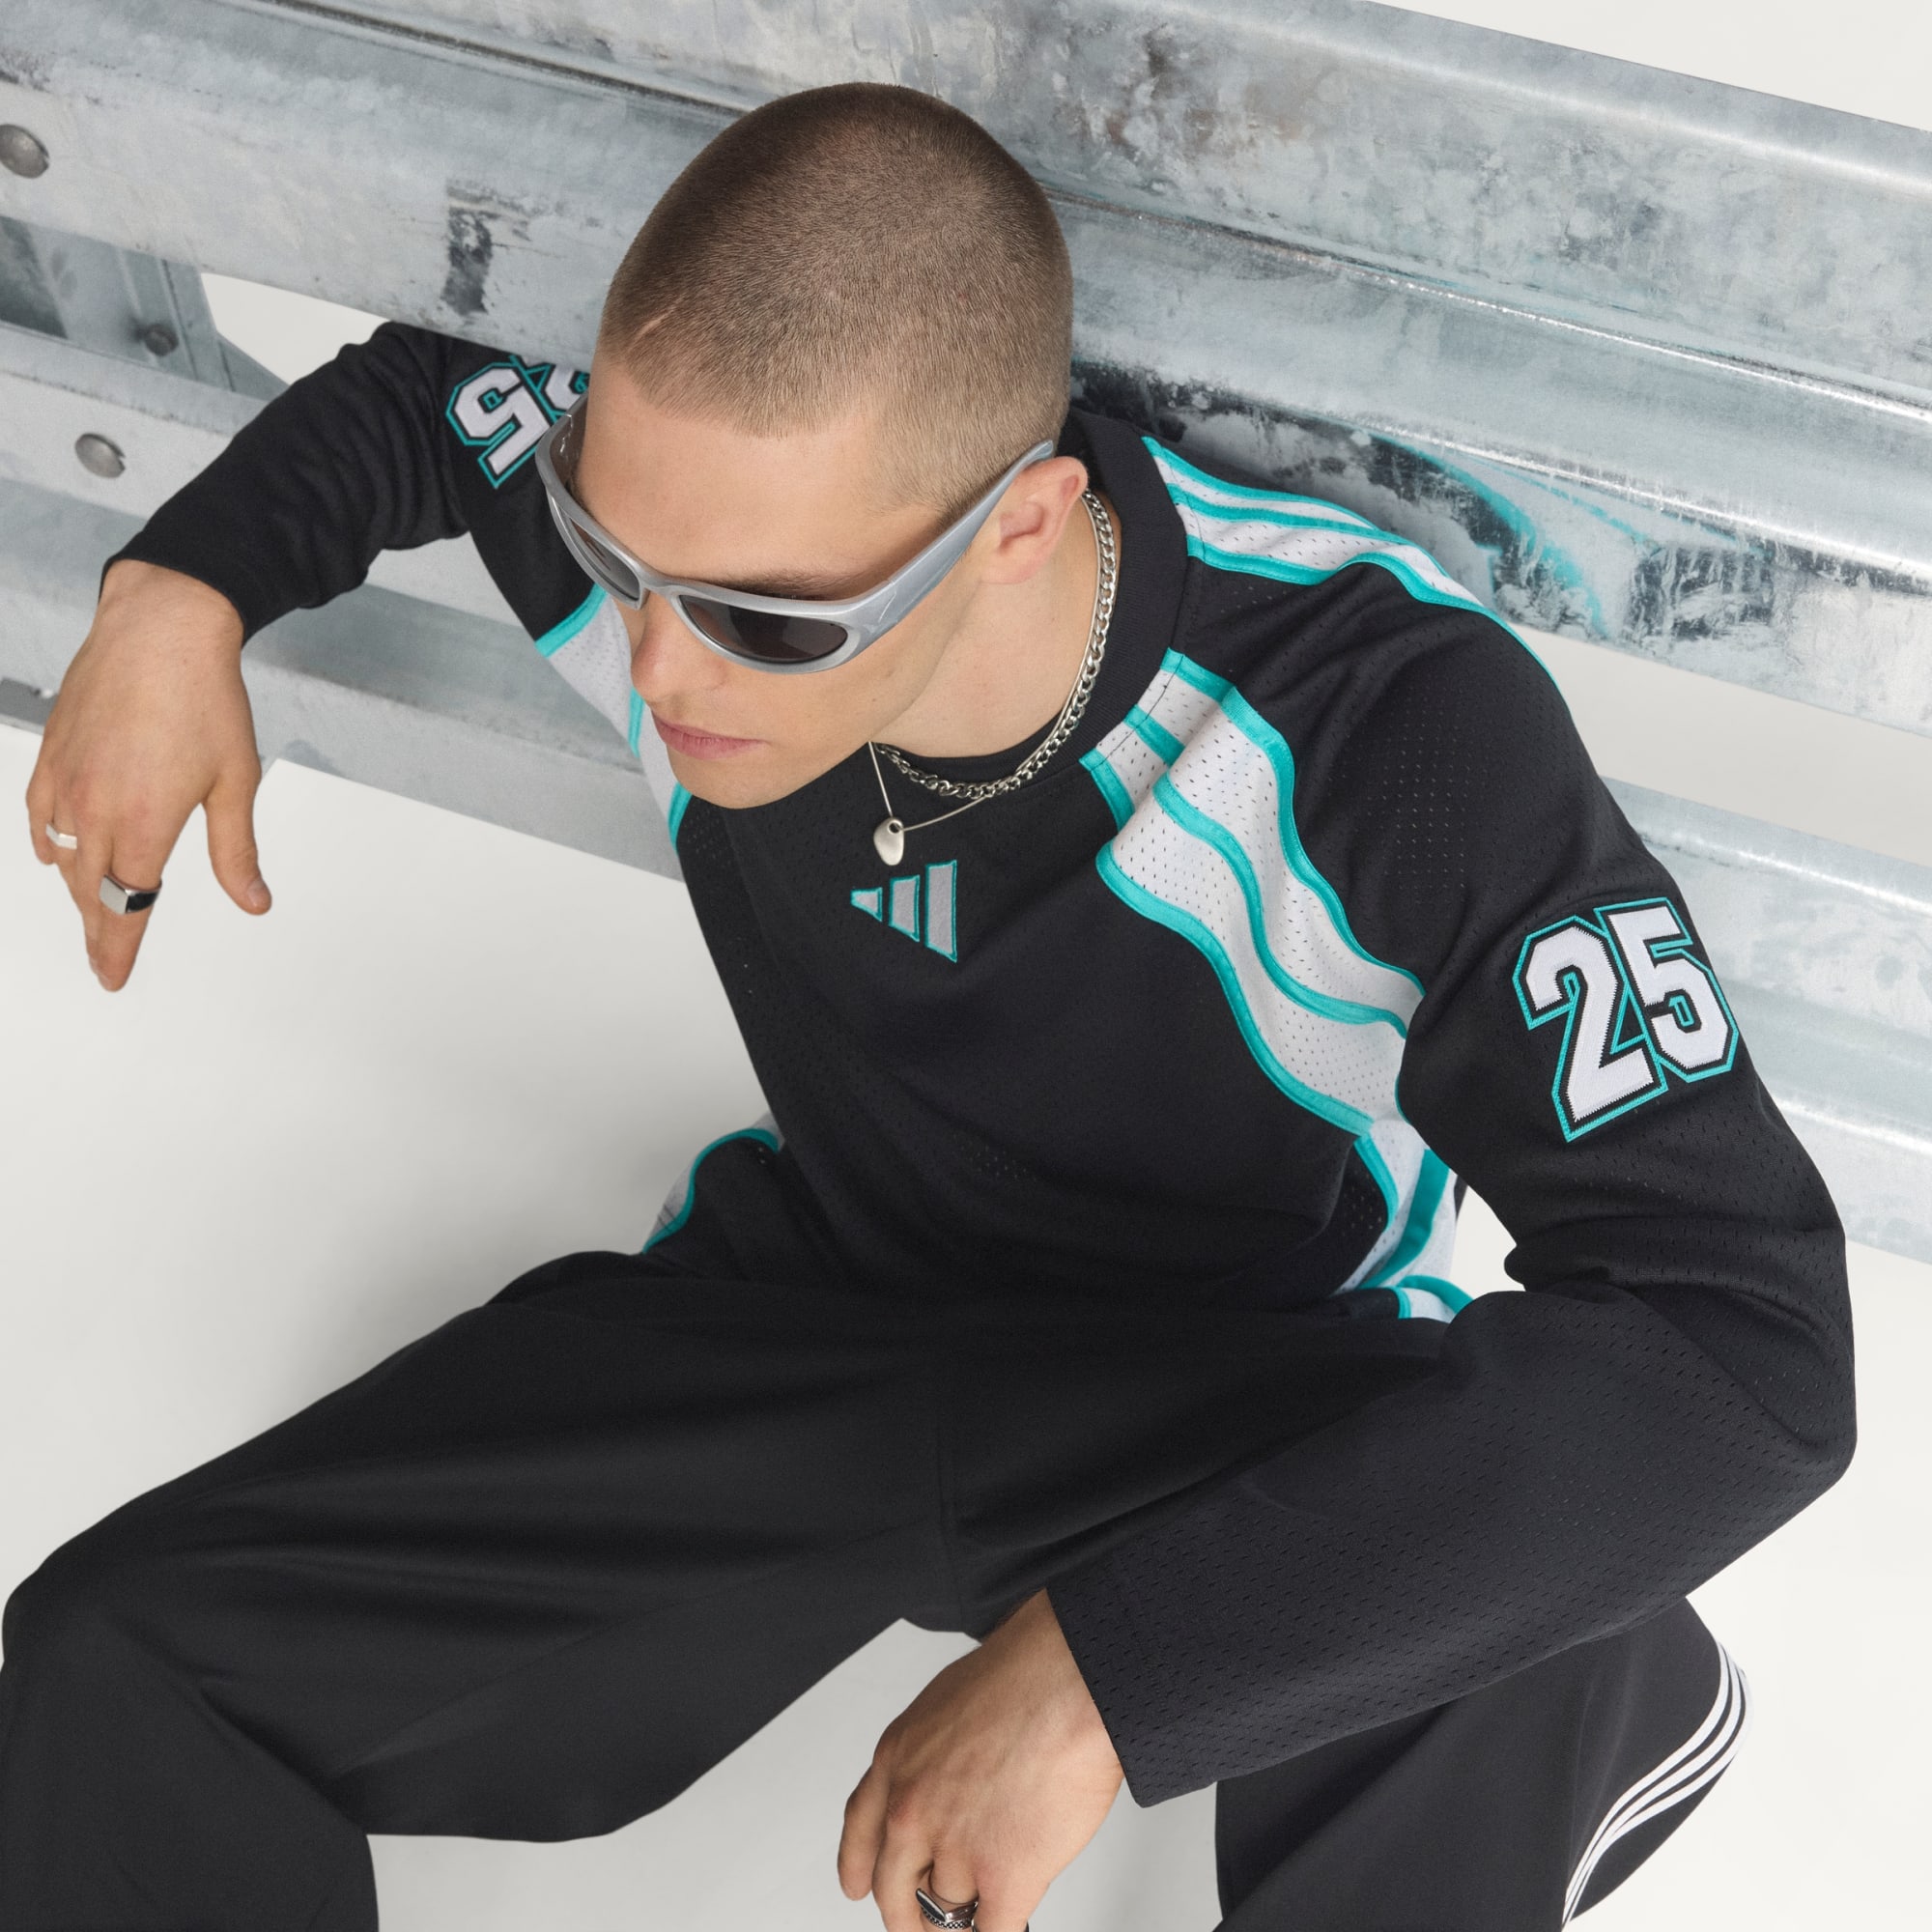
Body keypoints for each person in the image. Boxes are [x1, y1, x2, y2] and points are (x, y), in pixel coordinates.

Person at [3, 81, 1854, 1932]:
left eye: (767, 621)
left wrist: (1109, 1678)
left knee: (1506, 1563)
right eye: (619, 559)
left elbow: (1741, 1338)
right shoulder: (691, 533)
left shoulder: (1388, 728)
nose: (660, 668)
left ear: (1021, 529)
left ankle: (1591, 1691)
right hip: (822, 1307)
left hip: (1245, 1386)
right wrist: (179, 592)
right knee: (114, 1658)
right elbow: (430, 392)